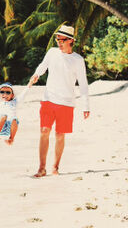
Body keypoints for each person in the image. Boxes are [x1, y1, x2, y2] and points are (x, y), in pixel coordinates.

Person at [28, 25, 90, 177]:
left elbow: (83, 84)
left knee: (60, 135)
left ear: (70, 41)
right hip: (48, 99)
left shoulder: (77, 60)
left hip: (66, 103)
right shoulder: (52, 53)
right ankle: (41, 168)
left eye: (62, 40)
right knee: (44, 131)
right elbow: (43, 66)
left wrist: (86, 106)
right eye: (57, 39)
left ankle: (55, 167)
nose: (59, 43)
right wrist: (36, 74)